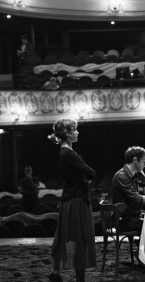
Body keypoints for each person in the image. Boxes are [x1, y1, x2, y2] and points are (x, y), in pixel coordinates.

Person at [47, 119, 96, 282]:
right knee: (79, 239)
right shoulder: (68, 153)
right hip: (76, 201)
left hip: (70, 199)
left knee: (63, 235)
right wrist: (85, 177)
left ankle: (55, 271)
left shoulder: (65, 152)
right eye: (74, 130)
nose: (78, 132)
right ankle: (78, 278)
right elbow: (91, 173)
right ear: (67, 133)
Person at [112, 146, 145, 232]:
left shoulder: (132, 176)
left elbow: (136, 199)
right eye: (144, 161)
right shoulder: (122, 176)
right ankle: (143, 244)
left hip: (131, 217)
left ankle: (142, 244)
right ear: (135, 160)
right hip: (124, 221)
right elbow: (136, 200)